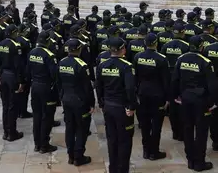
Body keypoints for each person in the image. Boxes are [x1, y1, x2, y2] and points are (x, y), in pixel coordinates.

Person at [172, 32, 218, 172]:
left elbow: (175, 79)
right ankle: (199, 162)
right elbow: (212, 85)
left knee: (187, 129)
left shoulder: (181, 59)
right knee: (201, 131)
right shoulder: (206, 62)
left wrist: (176, 96)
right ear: (201, 46)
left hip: (185, 98)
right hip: (200, 100)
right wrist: (211, 103)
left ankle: (190, 159)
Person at [95, 36, 136, 173]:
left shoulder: (102, 65)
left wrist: (101, 103)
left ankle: (113, 168)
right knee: (124, 140)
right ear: (123, 50)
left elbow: (98, 86)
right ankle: (122, 169)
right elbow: (130, 88)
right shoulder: (127, 66)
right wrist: (131, 106)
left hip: (108, 106)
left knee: (112, 139)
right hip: (122, 109)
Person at [59, 37, 95, 166]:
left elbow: (59, 83)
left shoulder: (61, 62)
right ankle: (78, 157)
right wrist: (91, 103)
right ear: (79, 49)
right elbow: (87, 87)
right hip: (79, 102)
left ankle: (70, 155)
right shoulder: (82, 65)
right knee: (82, 129)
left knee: (70, 128)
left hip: (66, 99)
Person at [134, 33, 169, 160]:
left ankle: (146, 150)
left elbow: (135, 77)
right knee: (156, 125)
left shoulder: (138, 56)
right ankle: (154, 152)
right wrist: (167, 99)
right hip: (157, 95)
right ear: (156, 43)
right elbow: (166, 81)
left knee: (144, 124)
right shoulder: (161, 58)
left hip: (142, 93)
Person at [27, 30, 59, 153]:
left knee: (37, 115)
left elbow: (27, 71)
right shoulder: (49, 55)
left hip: (35, 86)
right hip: (46, 88)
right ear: (48, 41)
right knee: (47, 116)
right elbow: (54, 75)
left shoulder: (31, 53)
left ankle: (37, 144)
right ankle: (44, 144)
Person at [162, 23, 190, 141]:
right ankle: (182, 132)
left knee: (172, 105)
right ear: (183, 32)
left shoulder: (166, 45)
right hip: (181, 77)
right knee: (182, 105)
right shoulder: (186, 46)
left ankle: (175, 132)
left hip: (169, 76)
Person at [0, 25, 25, 141]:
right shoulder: (16, 46)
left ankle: (6, 131)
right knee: (12, 106)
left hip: (3, 75)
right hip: (12, 76)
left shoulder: (0, 44)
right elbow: (18, 65)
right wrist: (21, 81)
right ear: (13, 33)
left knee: (5, 104)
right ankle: (12, 133)